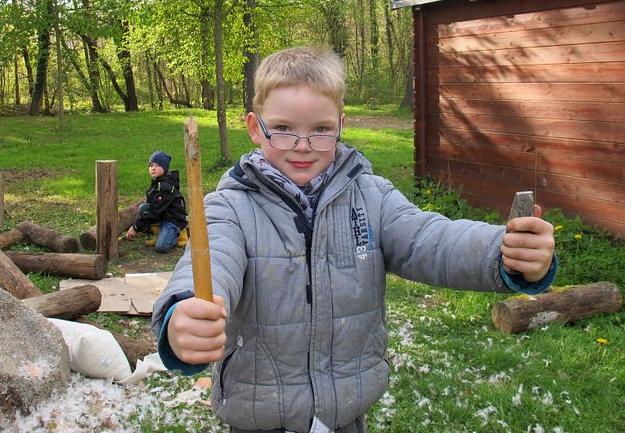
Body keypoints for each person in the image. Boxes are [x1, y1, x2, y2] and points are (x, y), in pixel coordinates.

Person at [151, 46, 556, 433]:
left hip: (345, 415)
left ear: (341, 125)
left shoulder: (371, 197)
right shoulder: (228, 207)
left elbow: (430, 240)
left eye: (321, 130)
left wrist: (503, 252)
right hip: (257, 417)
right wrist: (182, 317)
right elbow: (210, 262)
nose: (303, 146)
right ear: (256, 129)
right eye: (284, 130)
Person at [126, 151, 188, 253]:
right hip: (164, 215)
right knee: (143, 207)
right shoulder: (157, 182)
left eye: (157, 165)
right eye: (150, 165)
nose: (153, 168)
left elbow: (154, 211)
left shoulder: (166, 187)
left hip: (174, 219)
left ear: (165, 168)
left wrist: (135, 227)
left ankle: (180, 233)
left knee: (161, 247)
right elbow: (151, 207)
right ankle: (159, 233)